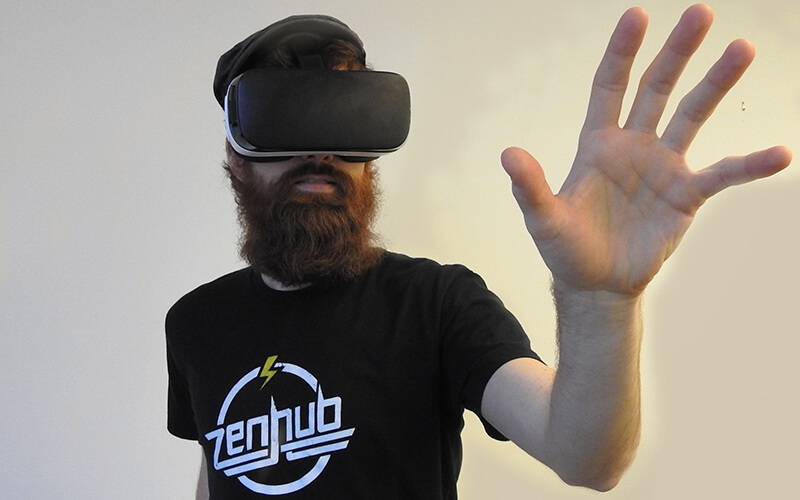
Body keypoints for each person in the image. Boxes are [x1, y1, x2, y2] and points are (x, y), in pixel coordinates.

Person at [166, 5, 792, 499]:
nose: (320, 152)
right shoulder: (195, 323)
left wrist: (601, 302)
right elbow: (219, 474)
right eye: (285, 122)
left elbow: (586, 459)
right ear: (235, 158)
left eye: (345, 122)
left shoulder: (436, 303)